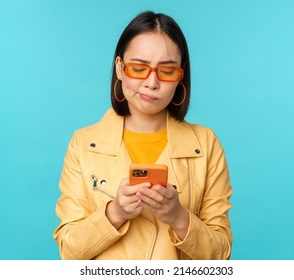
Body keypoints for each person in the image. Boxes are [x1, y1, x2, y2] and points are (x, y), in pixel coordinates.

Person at [53, 11, 233, 260]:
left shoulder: (205, 144)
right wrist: (115, 212)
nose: (152, 82)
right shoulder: (83, 144)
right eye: (138, 68)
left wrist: (179, 217)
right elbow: (70, 251)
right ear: (119, 68)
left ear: (181, 76)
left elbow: (221, 254)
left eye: (167, 71)